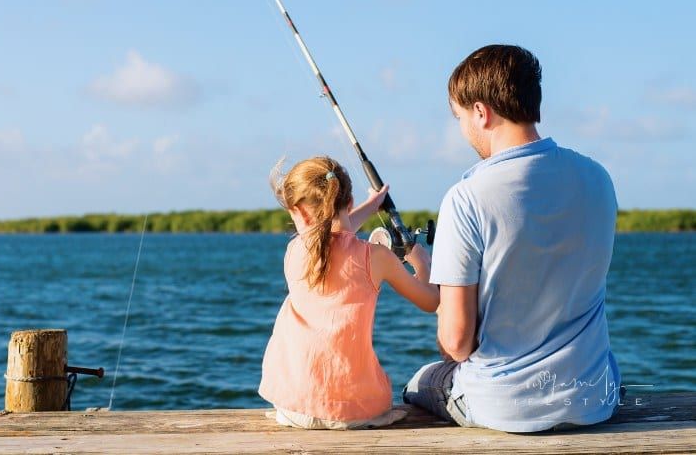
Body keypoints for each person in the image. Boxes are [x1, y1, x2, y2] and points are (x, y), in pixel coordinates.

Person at [403, 45, 621, 432]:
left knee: (420, 381)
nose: (462, 129)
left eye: (459, 117)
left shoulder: (466, 197)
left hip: (504, 408)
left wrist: (442, 300)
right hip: (595, 399)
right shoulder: (598, 178)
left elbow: (456, 344)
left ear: (481, 112)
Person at [259, 156, 440, 430]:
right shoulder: (377, 257)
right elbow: (430, 301)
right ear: (349, 202)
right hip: (357, 411)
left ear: (300, 213)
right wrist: (423, 265)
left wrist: (372, 206)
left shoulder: (295, 251)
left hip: (292, 405)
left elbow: (327, 237)